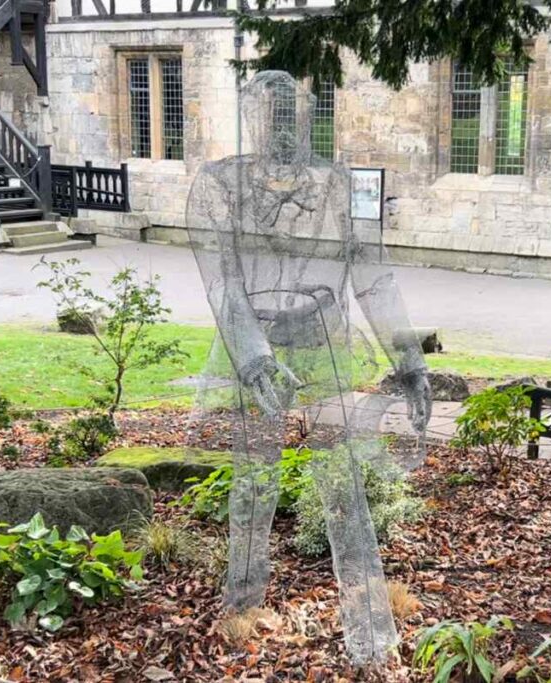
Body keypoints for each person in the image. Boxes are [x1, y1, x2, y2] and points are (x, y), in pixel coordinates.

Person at [185, 70, 431, 664]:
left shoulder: (340, 185)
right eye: (267, 112)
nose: (279, 125)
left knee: (341, 476)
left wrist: (407, 355)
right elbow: (221, 281)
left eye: (290, 111)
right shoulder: (219, 183)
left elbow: (374, 274)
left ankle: (369, 625)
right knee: (254, 477)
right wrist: (252, 356)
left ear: (308, 116)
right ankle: (242, 605)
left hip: (324, 340)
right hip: (256, 344)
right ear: (247, 116)